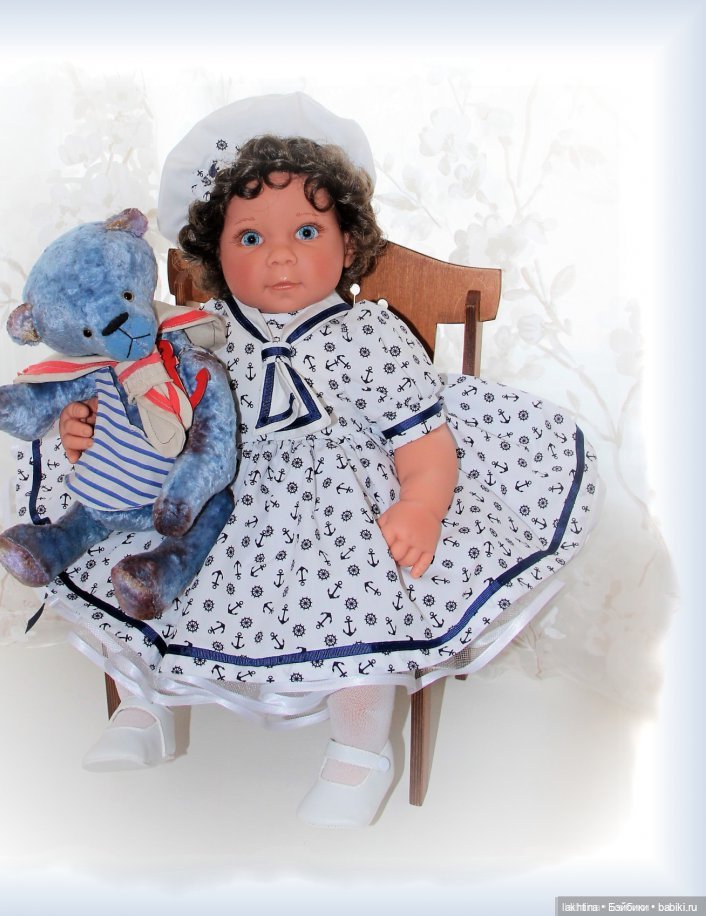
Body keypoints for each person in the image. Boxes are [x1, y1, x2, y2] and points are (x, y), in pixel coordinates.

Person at [50, 93, 600, 827]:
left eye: (306, 231)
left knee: (362, 607)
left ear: (348, 245)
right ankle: (144, 709)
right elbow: (149, 409)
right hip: (217, 491)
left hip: (336, 508)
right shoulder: (199, 332)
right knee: (138, 571)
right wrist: (89, 432)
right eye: (251, 238)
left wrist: (421, 504)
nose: (279, 254)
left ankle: (358, 754)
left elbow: (421, 436)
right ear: (215, 255)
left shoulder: (369, 334)